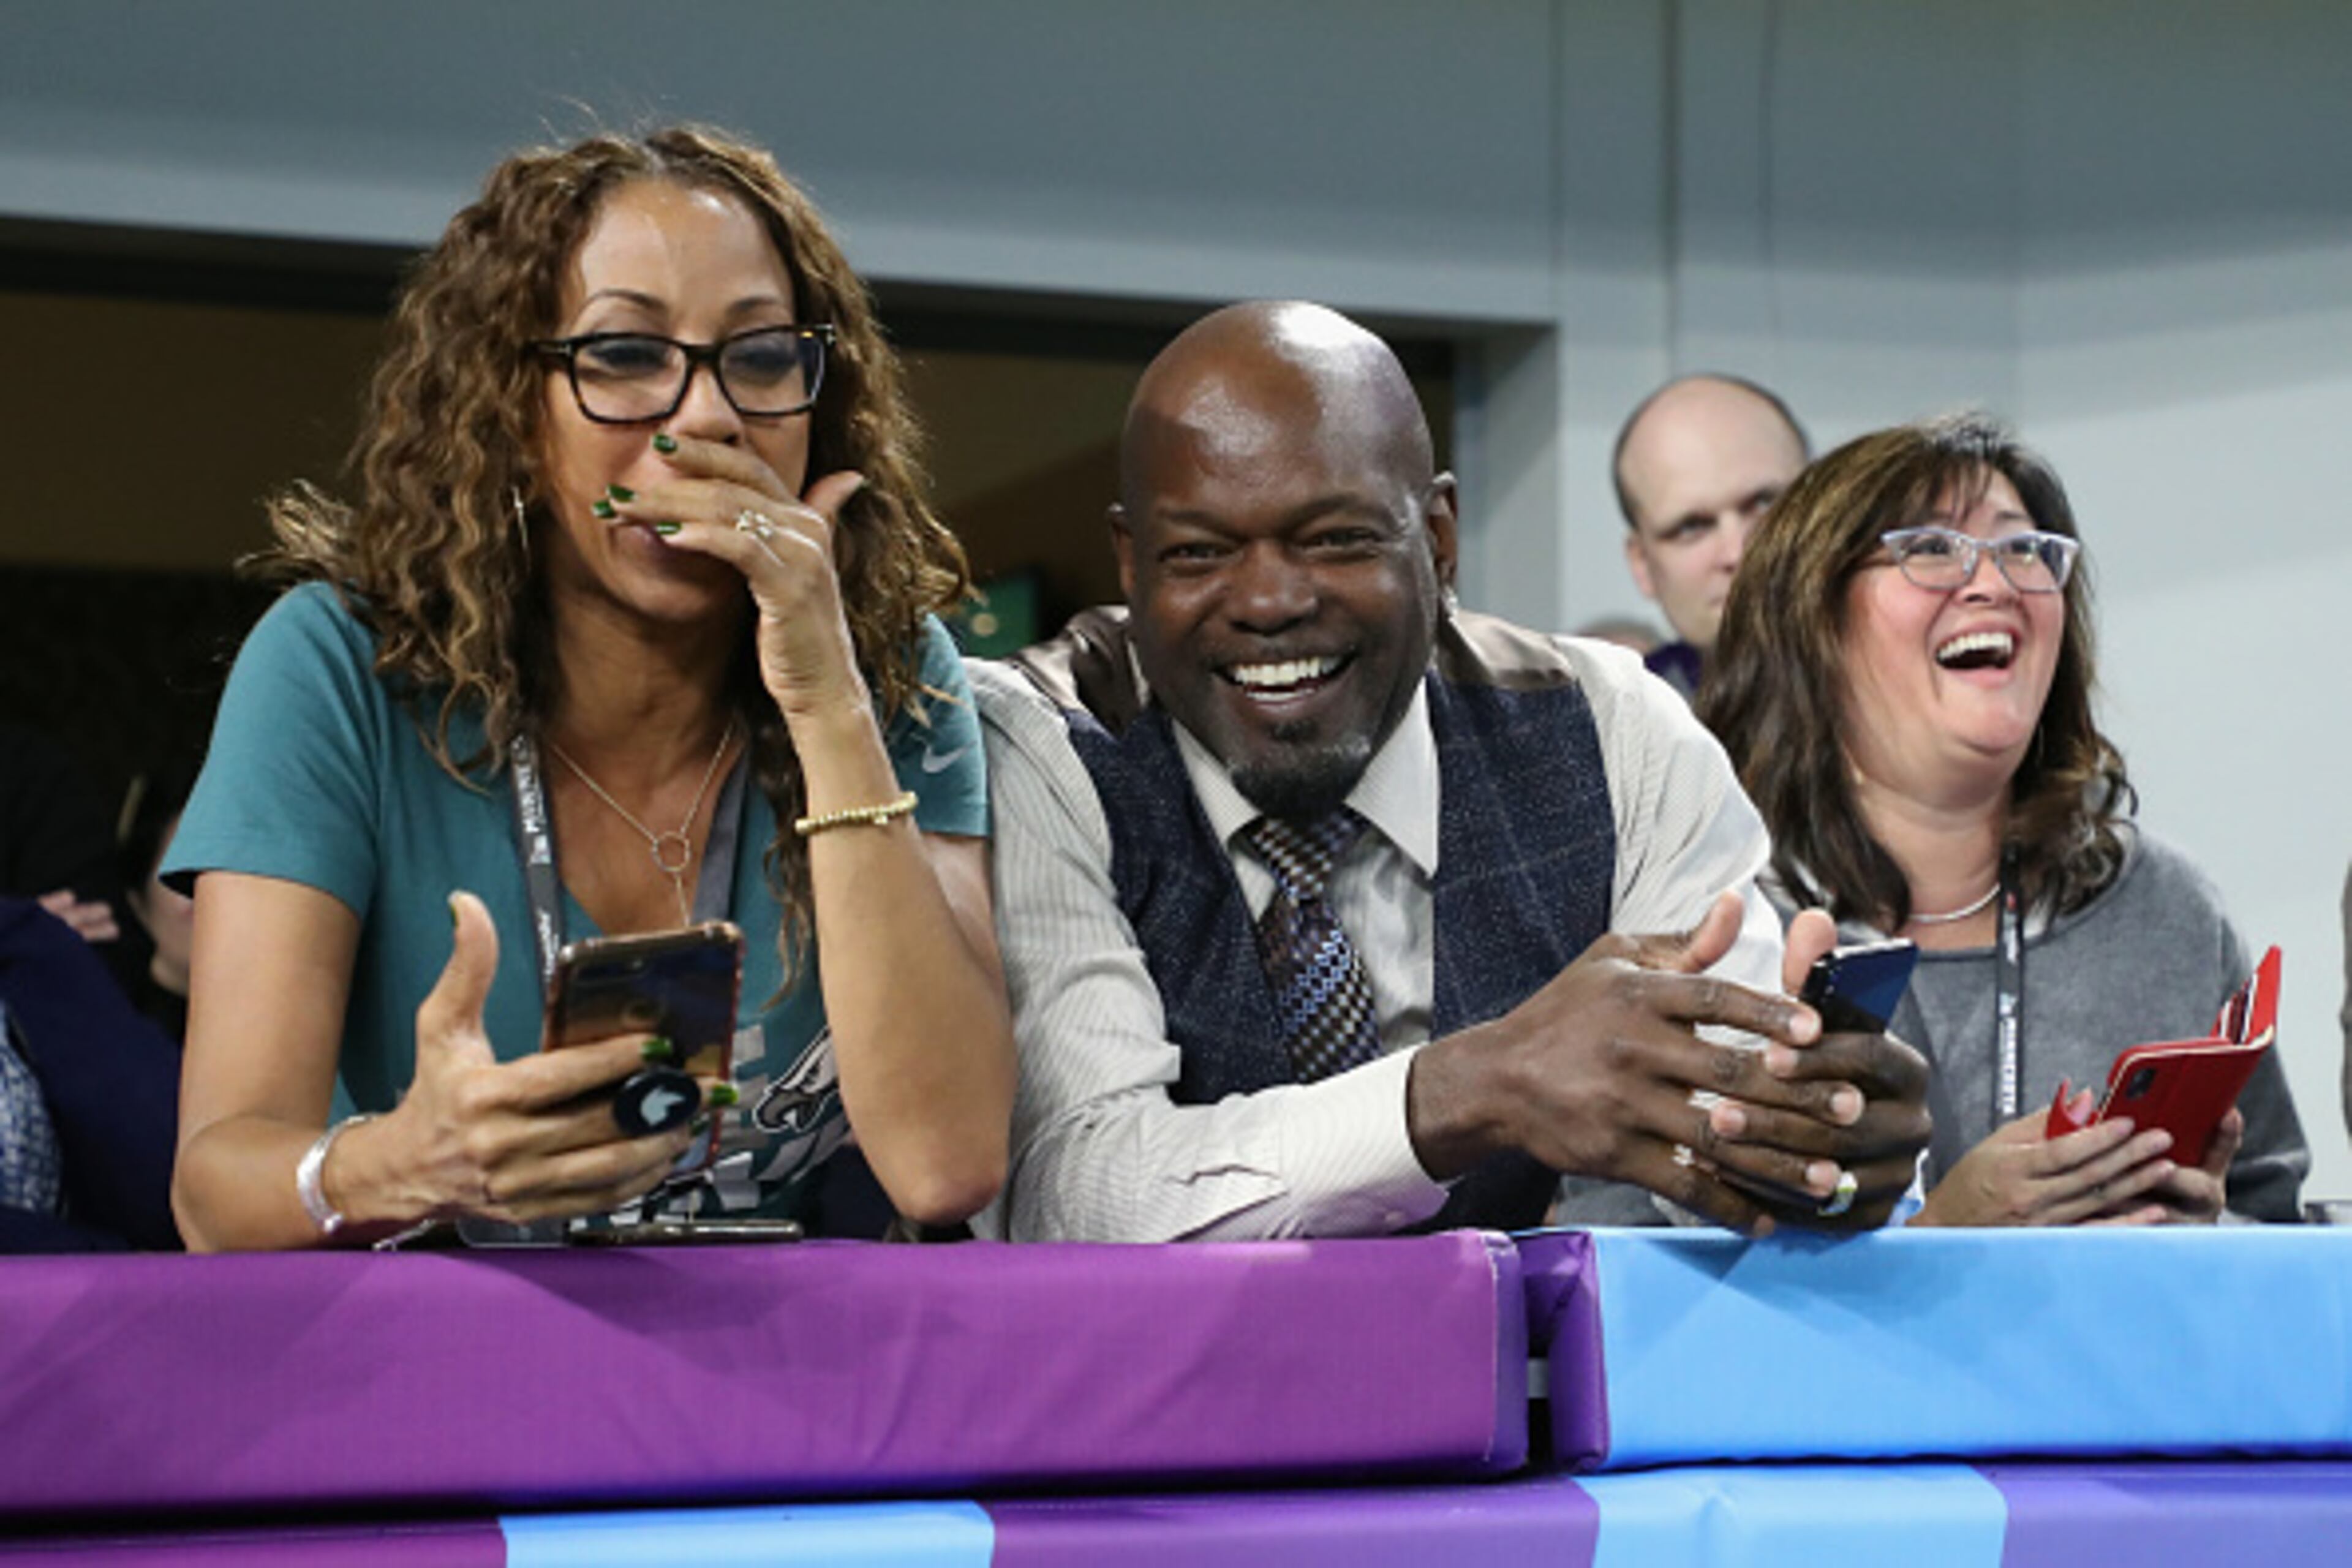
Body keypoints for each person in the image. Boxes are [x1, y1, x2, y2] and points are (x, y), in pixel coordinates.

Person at [165, 126, 1014, 1250]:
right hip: (427, 1383)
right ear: (510, 415)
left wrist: (827, 703)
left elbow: (943, 1164)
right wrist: (401, 1162)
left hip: (773, 1399)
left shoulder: (891, 677)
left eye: (759, 356)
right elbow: (214, 1196)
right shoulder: (339, 666)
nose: (708, 416)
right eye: (623, 354)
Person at [973, 300, 1929, 1242]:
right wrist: (1473, 1087)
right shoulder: (1045, 747)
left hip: (1527, 1395)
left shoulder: (1611, 730)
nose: (1269, 600)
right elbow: (1072, 1189)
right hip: (1151, 1397)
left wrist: (1812, 1157)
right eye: (1199, 553)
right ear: (1130, 563)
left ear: (1437, 537)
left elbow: (1727, 1128)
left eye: (1336, 537)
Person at [1700, 413, 2306, 1224]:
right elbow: (1627, 1275)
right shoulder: (1724, 923)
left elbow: (2277, 1230)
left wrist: (2200, 1242)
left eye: (2024, 550)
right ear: (1810, 620)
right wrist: (1945, 1241)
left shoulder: (2165, 908)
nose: (1992, 583)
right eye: (1932, 548)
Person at [1611, 375, 1809, 698]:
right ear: (1642, 564)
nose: (1737, 552)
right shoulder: (1607, 735)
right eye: (1692, 527)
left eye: (1763, 504)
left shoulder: (1912, 688)